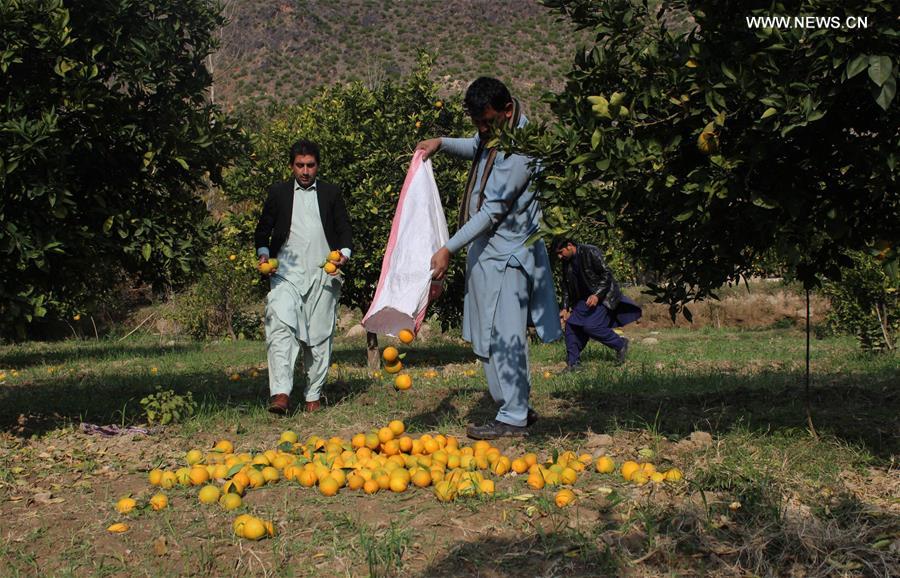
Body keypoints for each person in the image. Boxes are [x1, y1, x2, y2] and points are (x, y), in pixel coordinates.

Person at [417, 77, 561, 440]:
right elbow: (477, 148)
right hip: (488, 253)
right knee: (488, 334)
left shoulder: (521, 152)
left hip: (509, 256)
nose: (482, 131)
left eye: (488, 122)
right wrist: (442, 143)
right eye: (477, 124)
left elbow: (492, 211)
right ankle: (512, 407)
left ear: (507, 110)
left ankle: (513, 414)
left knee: (507, 335)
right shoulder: (497, 136)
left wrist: (448, 248)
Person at [254, 139, 353, 414]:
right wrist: (263, 254)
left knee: (320, 337)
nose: (305, 171)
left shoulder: (331, 193)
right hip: (285, 274)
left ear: (317, 166)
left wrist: (344, 253)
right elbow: (263, 230)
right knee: (280, 327)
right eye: (300, 165)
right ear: (292, 166)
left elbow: (344, 229)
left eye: (310, 165)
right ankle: (281, 394)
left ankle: (313, 395)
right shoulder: (279, 193)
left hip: (324, 274)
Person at [551, 237, 642, 369]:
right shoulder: (567, 261)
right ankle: (573, 363)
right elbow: (566, 286)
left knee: (590, 326)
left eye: (561, 252)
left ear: (569, 245)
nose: (559, 257)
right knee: (572, 325)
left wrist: (597, 295)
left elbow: (607, 275)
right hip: (584, 300)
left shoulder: (590, 252)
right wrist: (565, 308)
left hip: (603, 296)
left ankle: (620, 344)